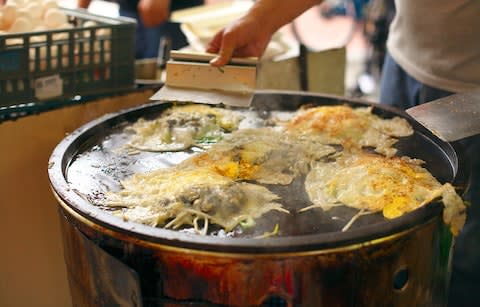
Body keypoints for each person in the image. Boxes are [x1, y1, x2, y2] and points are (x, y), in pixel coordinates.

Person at [206, 1, 480, 306]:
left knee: (465, 249)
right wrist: (260, 19)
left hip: (473, 88)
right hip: (405, 60)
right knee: (385, 234)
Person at [78, 0, 203, 59]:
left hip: (171, 11)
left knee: (172, 71)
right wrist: (80, 11)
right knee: (134, 65)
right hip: (129, 9)